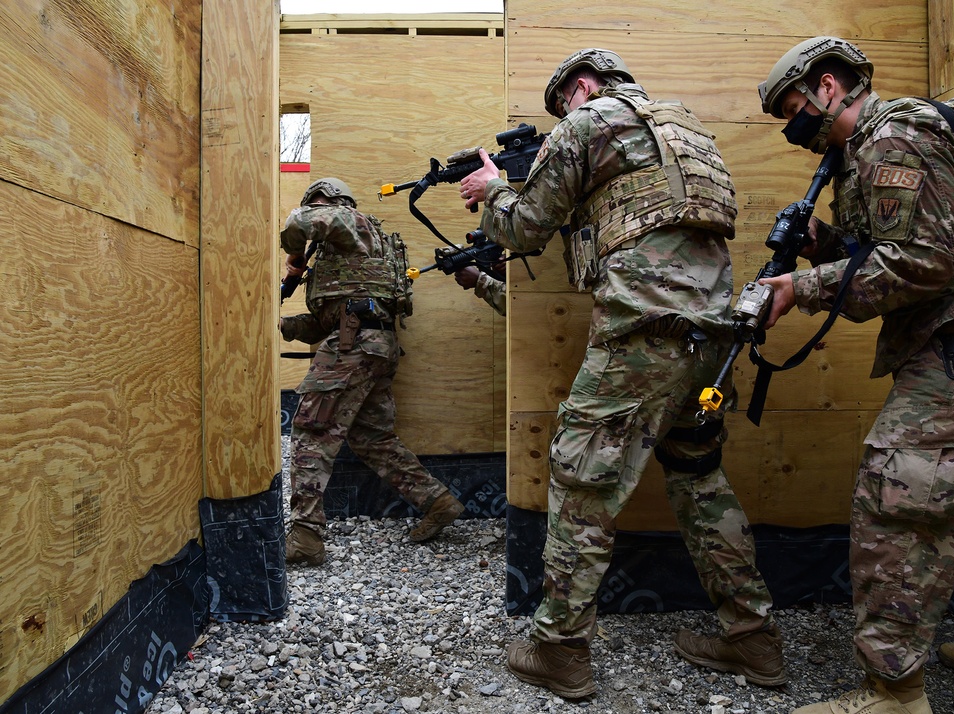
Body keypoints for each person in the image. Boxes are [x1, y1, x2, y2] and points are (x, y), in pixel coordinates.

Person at [458, 48, 786, 698]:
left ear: (582, 88)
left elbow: (523, 229)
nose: (563, 119)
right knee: (698, 479)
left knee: (582, 478)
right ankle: (754, 639)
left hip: (644, 335)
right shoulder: (682, 128)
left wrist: (490, 189)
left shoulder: (591, 121)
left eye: (563, 107)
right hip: (710, 335)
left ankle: (559, 649)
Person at [756, 36, 954, 713]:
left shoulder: (897, 133)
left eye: (794, 108)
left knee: (899, 498)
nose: (792, 126)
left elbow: (924, 262)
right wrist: (823, 247)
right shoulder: (863, 152)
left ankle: (894, 692)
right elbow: (887, 252)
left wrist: (800, 290)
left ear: (829, 87)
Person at [280, 177, 465, 565]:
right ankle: (437, 500)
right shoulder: (356, 248)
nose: (317, 212)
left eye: (318, 204)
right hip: (374, 346)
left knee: (312, 432)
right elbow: (336, 317)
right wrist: (286, 327)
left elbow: (298, 224)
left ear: (330, 201)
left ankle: (305, 537)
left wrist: (296, 258)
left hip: (355, 346)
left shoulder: (349, 221)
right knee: (371, 438)